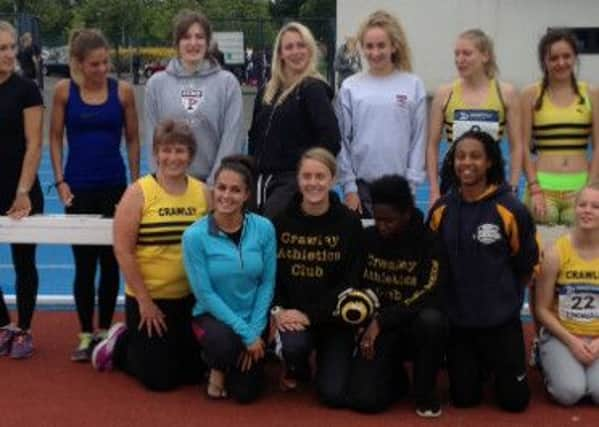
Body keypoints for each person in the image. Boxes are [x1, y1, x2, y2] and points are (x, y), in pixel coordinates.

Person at [92, 119, 209, 391]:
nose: (173, 157)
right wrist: (144, 301)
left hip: (188, 299)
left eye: (180, 151)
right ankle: (120, 343)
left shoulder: (203, 192)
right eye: (166, 150)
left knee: (193, 374)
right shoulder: (138, 193)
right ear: (156, 153)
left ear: (190, 154)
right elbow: (123, 250)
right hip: (149, 300)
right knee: (160, 381)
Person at [428, 129, 539, 412]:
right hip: (460, 324)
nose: (467, 163)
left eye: (475, 156)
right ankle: (477, 368)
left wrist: (506, 298)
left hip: (501, 323)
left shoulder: (510, 209)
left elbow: (525, 264)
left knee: (515, 403)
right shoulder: (442, 210)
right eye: (460, 156)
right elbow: (431, 263)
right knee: (465, 400)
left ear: (489, 162)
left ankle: (496, 366)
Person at [49, 28, 140, 362]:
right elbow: (55, 137)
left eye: (105, 63)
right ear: (78, 63)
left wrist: (135, 183)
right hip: (79, 188)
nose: (102, 69)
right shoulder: (63, 92)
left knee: (111, 261)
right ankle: (85, 333)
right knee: (84, 265)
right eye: (94, 64)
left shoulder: (123, 93)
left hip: (114, 186)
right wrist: (60, 180)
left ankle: (104, 332)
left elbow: (132, 138)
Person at [346, 175, 447, 416]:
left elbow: (430, 293)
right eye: (378, 219)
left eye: (389, 221)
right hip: (378, 329)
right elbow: (353, 282)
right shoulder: (367, 239)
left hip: (414, 328)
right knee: (365, 401)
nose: (382, 226)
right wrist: (361, 320)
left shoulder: (429, 242)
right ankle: (396, 378)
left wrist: (382, 320)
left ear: (408, 213)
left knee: (432, 320)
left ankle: (425, 391)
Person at [270, 148, 363, 407]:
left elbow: (351, 282)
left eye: (320, 176)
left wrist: (312, 314)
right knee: (294, 347)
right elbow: (271, 276)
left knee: (333, 395)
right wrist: (278, 311)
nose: (313, 183)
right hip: (293, 318)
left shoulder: (349, 224)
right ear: (298, 180)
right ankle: (295, 364)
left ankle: (333, 357)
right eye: (307, 176)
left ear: (333, 179)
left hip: (333, 319)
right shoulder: (280, 222)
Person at [182, 156, 276, 403]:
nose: (226, 195)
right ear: (214, 189)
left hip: (253, 319)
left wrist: (255, 331)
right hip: (212, 317)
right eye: (221, 187)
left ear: (247, 195)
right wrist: (247, 336)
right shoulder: (194, 236)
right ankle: (216, 364)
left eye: (236, 190)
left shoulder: (264, 228)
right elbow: (205, 294)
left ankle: (232, 364)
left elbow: (267, 283)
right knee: (224, 345)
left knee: (245, 395)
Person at [336, 10, 426, 218]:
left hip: (400, 189)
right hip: (362, 189)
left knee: (398, 250)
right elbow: (342, 141)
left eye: (381, 46)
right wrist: (349, 187)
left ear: (394, 46)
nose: (375, 53)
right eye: (369, 46)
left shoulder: (413, 85)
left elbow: (418, 139)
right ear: (362, 48)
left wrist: (410, 187)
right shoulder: (350, 87)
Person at [248, 22, 340, 219]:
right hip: (259, 180)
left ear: (310, 50)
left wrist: (307, 175)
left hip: (291, 181)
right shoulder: (266, 91)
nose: (296, 52)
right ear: (280, 53)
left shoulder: (313, 89)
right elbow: (253, 136)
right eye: (289, 47)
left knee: (273, 231)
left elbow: (330, 140)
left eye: (301, 45)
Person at [144, 9, 244, 185]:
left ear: (208, 42)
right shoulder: (156, 84)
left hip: (211, 185)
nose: (193, 43)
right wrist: (159, 182)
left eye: (199, 37)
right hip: (169, 185)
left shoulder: (227, 84)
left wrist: (215, 183)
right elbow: (152, 137)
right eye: (186, 37)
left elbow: (232, 138)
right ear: (177, 42)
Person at [427, 29, 523, 205]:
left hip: (493, 181)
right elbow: (432, 146)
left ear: (485, 55)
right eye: (456, 54)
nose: (459, 60)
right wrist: (434, 190)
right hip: (453, 183)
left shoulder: (506, 93)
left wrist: (514, 186)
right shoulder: (444, 94)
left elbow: (517, 146)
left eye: (467, 53)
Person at [522, 29, 599, 226]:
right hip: (543, 188)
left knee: (582, 241)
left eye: (567, 56)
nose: (561, 63)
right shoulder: (531, 94)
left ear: (575, 57)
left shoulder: (591, 94)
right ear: (544, 61)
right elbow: (522, 147)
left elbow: (598, 147)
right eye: (553, 58)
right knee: (543, 225)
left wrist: (590, 188)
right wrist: (535, 189)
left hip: (580, 187)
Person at [0, 21, 44, 359]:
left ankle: (24, 328)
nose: (9, 54)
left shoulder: (27, 89)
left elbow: (34, 144)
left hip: (21, 189)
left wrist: (23, 190)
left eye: (12, 47)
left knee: (23, 262)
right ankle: (3, 324)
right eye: (2, 49)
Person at [535, 183, 599, 406]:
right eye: (582, 205)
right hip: (563, 336)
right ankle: (545, 357)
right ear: (575, 208)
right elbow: (541, 309)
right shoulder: (556, 253)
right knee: (569, 393)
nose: (588, 210)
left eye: (596, 206)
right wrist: (572, 341)